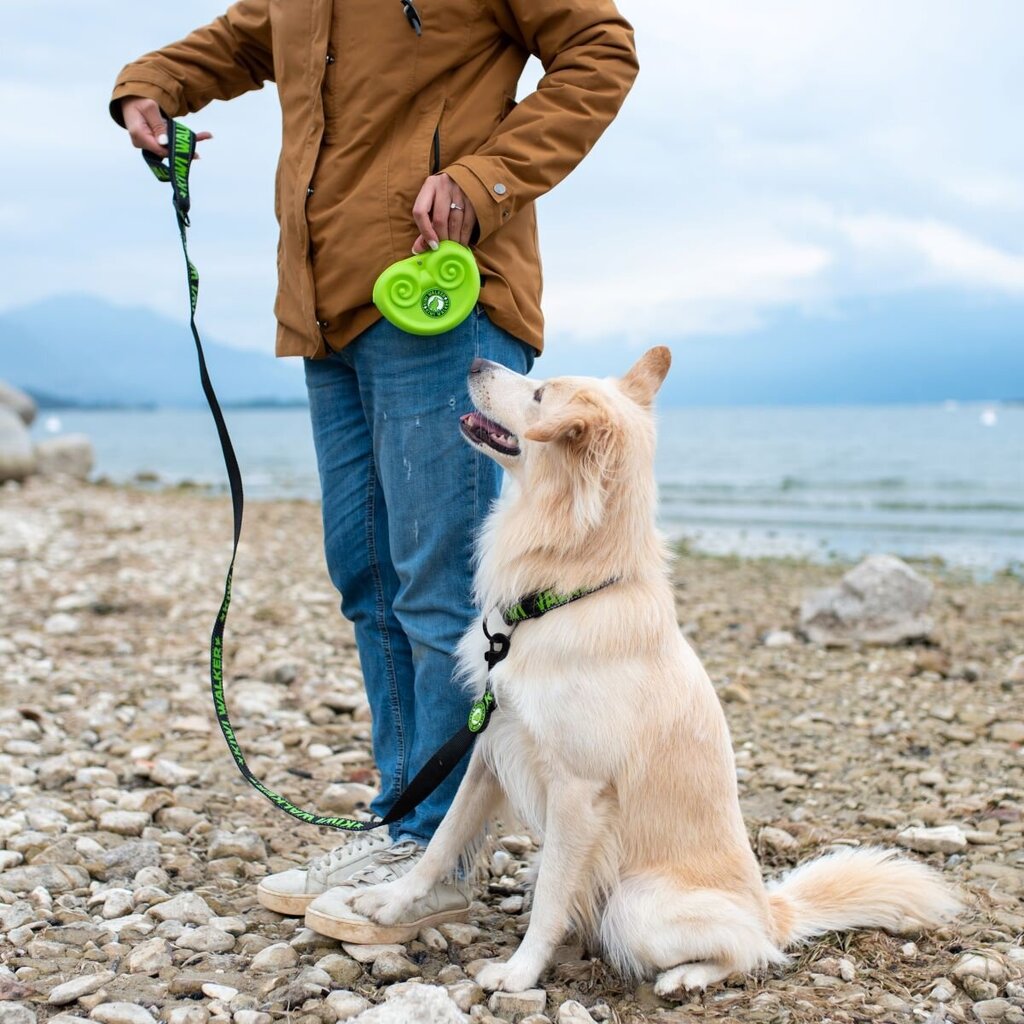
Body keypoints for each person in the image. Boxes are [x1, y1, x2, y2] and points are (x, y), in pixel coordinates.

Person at [112, 0, 638, 938]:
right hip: (330, 305)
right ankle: (405, 818)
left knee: (437, 584)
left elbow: (600, 50)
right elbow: (243, 38)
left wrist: (487, 179)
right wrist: (149, 84)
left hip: (441, 294)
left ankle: (441, 850)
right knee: (366, 574)